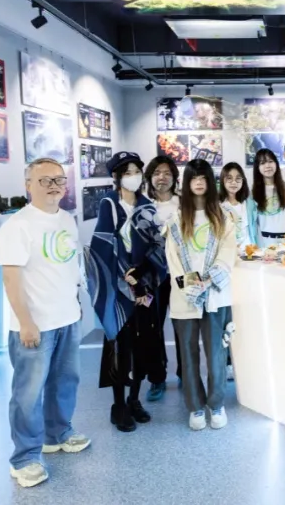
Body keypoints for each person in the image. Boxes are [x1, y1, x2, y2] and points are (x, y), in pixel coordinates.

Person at [0, 158, 89, 488]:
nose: (53, 186)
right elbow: (11, 279)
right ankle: (25, 458)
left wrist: (76, 304)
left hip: (67, 318)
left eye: (58, 180)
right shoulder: (17, 226)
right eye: (44, 180)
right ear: (28, 185)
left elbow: (69, 266)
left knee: (66, 382)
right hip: (35, 324)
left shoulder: (66, 219)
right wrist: (26, 322)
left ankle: (58, 432)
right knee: (28, 393)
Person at [88, 152, 168, 432]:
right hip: (119, 291)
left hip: (144, 286)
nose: (133, 176)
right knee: (121, 347)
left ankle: (135, 399)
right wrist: (127, 274)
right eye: (127, 172)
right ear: (116, 177)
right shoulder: (109, 204)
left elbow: (157, 243)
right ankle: (118, 405)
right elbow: (102, 244)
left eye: (136, 171)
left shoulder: (147, 205)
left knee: (144, 343)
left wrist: (144, 274)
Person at [163, 159, 237, 431]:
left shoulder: (223, 216)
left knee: (217, 354)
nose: (198, 182)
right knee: (188, 353)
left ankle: (216, 404)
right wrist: (193, 286)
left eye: (203, 177)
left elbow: (229, 252)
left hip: (216, 295)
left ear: (210, 181)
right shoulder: (176, 219)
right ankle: (195, 406)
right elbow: (173, 260)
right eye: (193, 177)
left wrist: (209, 280)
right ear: (186, 182)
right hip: (185, 297)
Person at [145, 155, 181, 395]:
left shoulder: (183, 203)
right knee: (153, 327)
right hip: (152, 277)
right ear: (149, 177)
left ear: (174, 178)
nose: (162, 177)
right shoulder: (144, 205)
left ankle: (185, 373)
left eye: (167, 173)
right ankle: (157, 377)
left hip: (180, 274)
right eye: (157, 173)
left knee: (183, 325)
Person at [219, 162, 255, 381]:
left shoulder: (248, 204)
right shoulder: (217, 205)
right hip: (226, 265)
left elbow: (253, 231)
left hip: (247, 264)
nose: (234, 182)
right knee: (227, 314)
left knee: (244, 313)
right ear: (222, 181)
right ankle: (227, 361)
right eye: (229, 178)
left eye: (238, 178)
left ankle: (245, 359)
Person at [251, 148, 285, 247]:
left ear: (276, 164)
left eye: (270, 161)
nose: (267, 166)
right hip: (262, 243)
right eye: (262, 163)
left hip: (283, 242)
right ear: (257, 167)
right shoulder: (253, 192)